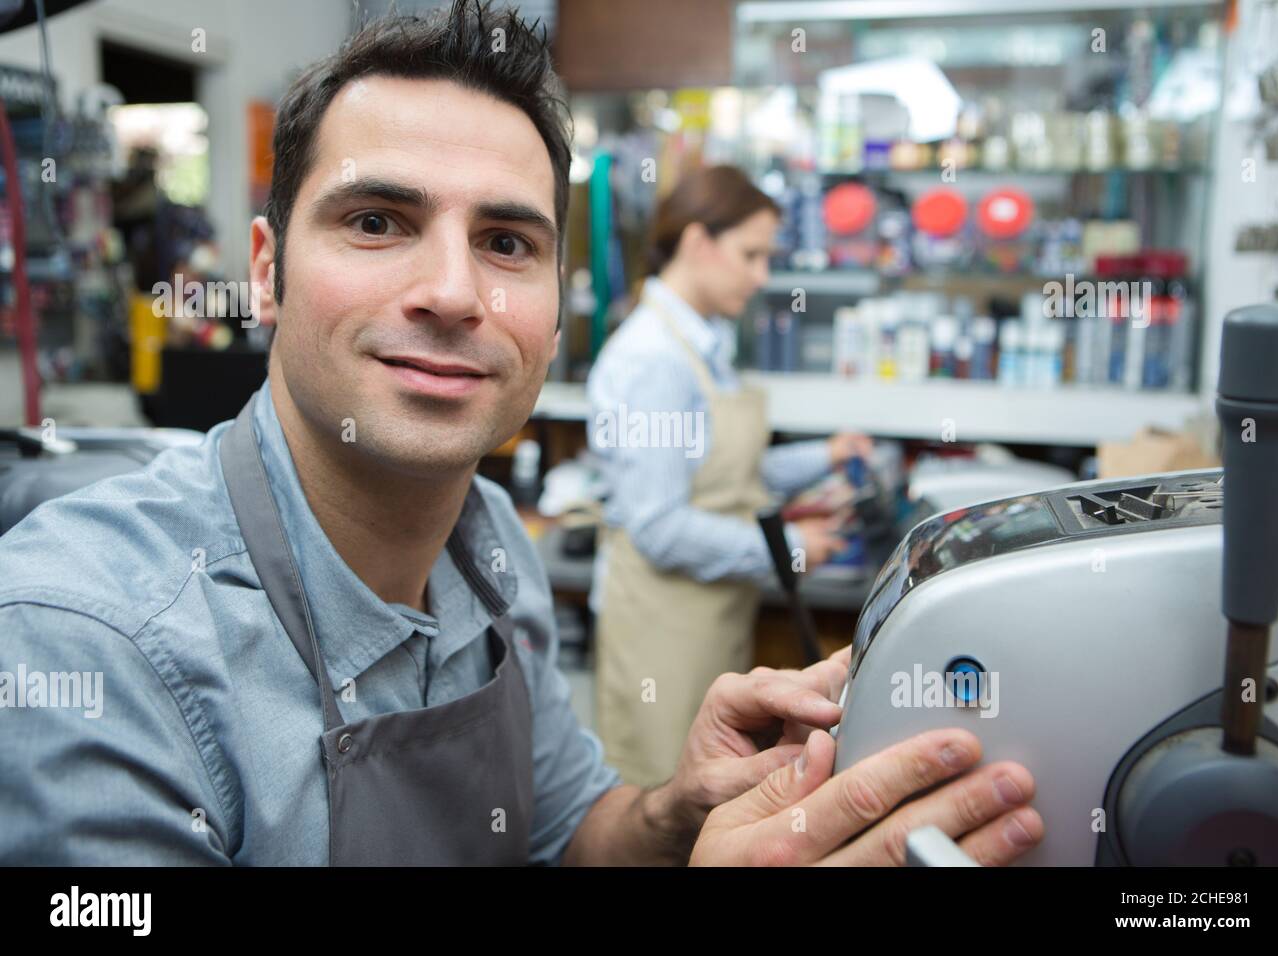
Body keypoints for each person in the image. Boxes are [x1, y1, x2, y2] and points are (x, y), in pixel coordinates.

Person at [0, 0, 1042, 866]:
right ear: (265, 272)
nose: (453, 292)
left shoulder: (491, 547)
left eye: (505, 241)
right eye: (377, 221)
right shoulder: (89, 646)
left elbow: (566, 831)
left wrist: (675, 809)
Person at [587, 165, 874, 788]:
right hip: (662, 633)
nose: (762, 276)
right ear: (697, 243)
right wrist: (790, 550)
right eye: (751, 255)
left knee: (710, 791)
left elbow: (726, 468)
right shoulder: (654, 361)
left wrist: (824, 455)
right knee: (662, 803)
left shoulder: (705, 343)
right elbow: (660, 525)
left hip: (708, 618)